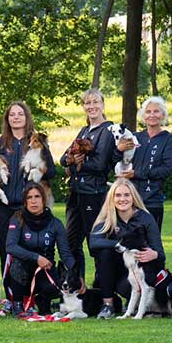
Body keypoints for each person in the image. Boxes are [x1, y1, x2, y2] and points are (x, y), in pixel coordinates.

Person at [0, 101, 55, 293]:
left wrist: (40, 168)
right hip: (2, 206)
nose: (16, 117)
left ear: (27, 117)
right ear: (7, 119)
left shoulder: (36, 140)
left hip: (28, 208)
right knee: (6, 253)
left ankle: (29, 296)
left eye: (20, 114)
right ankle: (11, 297)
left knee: (28, 253)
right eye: (12, 114)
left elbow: (51, 172)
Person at [88, 178, 170, 320]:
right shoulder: (107, 217)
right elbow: (93, 243)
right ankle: (108, 305)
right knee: (105, 252)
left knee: (126, 287)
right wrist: (120, 245)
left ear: (133, 196)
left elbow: (161, 255)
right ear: (112, 198)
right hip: (113, 271)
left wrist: (154, 254)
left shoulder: (145, 218)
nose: (122, 199)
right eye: (118, 195)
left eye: (126, 195)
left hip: (137, 271)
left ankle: (136, 305)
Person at [60, 88, 119, 282]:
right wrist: (73, 161)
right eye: (87, 103)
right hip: (76, 192)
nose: (91, 106)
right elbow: (62, 159)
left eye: (95, 102)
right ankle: (76, 286)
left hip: (94, 193)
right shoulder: (85, 130)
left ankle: (102, 290)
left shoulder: (107, 130)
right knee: (70, 243)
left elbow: (100, 165)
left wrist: (77, 164)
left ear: (103, 105)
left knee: (96, 244)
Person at [4, 183, 75, 316]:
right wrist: (36, 258)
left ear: (43, 199)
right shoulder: (17, 219)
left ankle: (43, 302)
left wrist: (77, 274)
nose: (33, 201)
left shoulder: (55, 223)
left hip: (45, 269)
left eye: (37, 196)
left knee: (53, 288)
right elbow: (10, 246)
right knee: (17, 264)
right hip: (22, 271)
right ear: (25, 201)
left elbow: (65, 254)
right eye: (29, 197)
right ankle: (18, 304)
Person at [120, 96, 172, 230]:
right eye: (148, 111)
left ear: (163, 115)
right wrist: (118, 150)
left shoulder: (169, 139)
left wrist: (137, 174)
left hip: (153, 200)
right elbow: (118, 159)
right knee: (129, 242)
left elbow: (166, 169)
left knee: (151, 243)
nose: (152, 115)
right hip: (129, 200)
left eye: (156, 111)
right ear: (143, 115)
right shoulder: (135, 137)